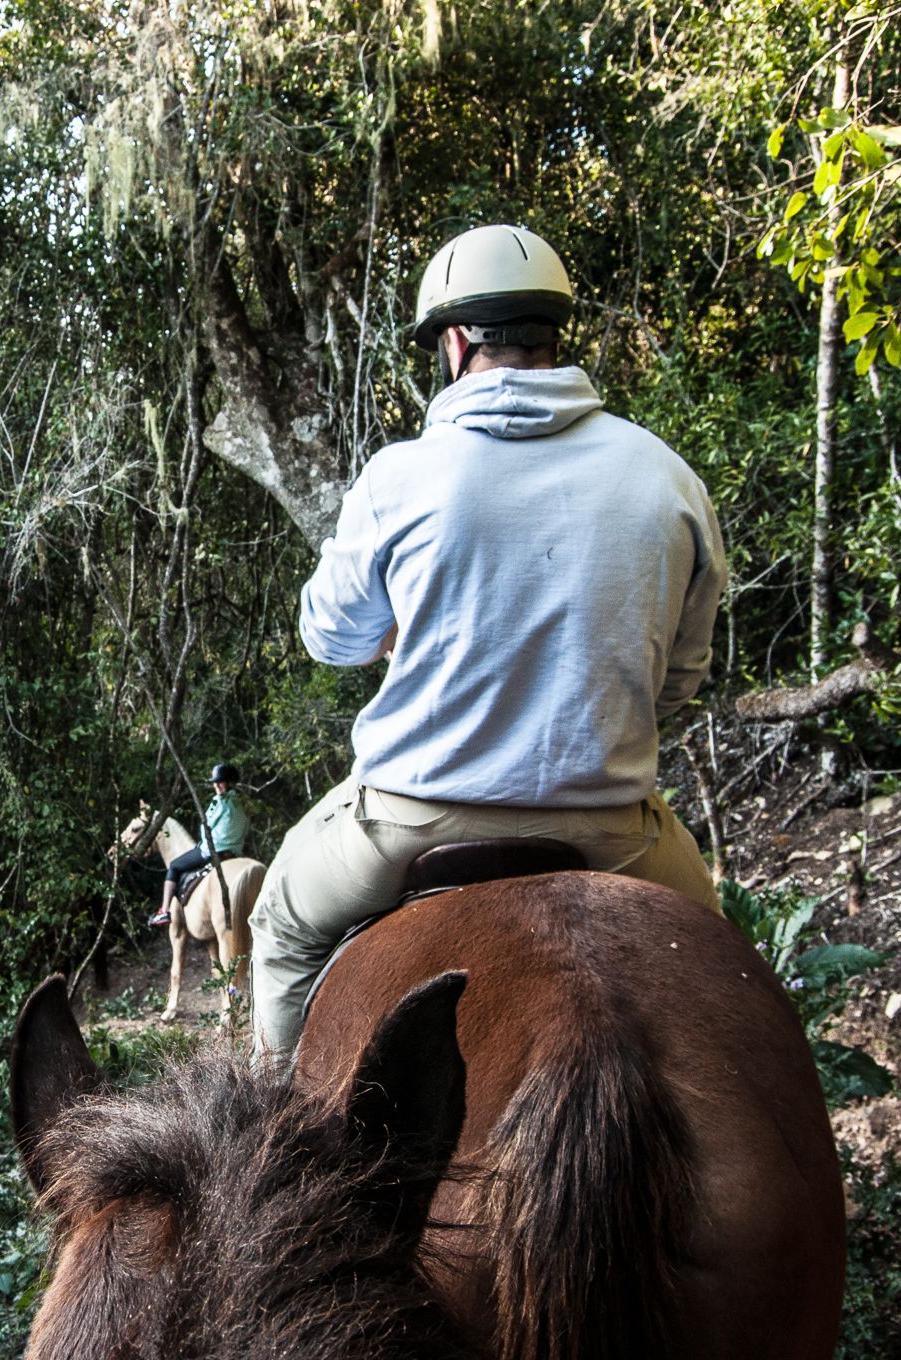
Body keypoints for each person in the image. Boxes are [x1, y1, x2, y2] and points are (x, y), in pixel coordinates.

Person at [248, 224, 728, 1063]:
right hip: (614, 828)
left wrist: (394, 633)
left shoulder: (401, 477)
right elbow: (680, 679)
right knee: (729, 978)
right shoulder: (667, 477)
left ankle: (282, 1156)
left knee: (279, 923)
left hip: (407, 822)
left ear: (457, 340)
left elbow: (328, 634)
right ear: (554, 333)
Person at [150, 763, 249, 928]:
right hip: (235, 851)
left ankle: (164, 911)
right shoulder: (243, 804)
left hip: (213, 850)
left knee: (174, 866)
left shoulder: (221, 803)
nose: (216, 785)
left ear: (230, 783)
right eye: (215, 782)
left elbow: (207, 826)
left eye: (220, 781)